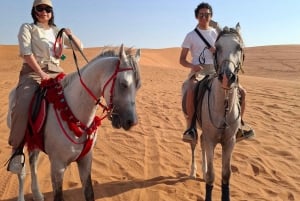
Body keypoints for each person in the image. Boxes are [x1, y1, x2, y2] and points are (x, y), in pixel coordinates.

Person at [7, 0, 83, 174]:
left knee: (77, 95)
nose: (44, 12)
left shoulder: (58, 31)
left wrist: (71, 35)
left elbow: (80, 47)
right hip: (33, 72)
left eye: (48, 9)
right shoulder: (28, 28)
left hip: (57, 71)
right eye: (40, 8)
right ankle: (17, 151)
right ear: (34, 11)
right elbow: (27, 53)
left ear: (52, 12)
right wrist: (42, 75)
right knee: (22, 105)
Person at [179, 2, 254, 143]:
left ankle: (238, 127)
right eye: (201, 15)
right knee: (190, 88)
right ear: (197, 17)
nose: (204, 17)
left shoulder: (217, 34)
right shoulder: (190, 36)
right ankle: (191, 128)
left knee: (242, 92)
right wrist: (192, 65)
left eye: (207, 14)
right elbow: (181, 60)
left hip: (216, 70)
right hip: (199, 70)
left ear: (210, 16)